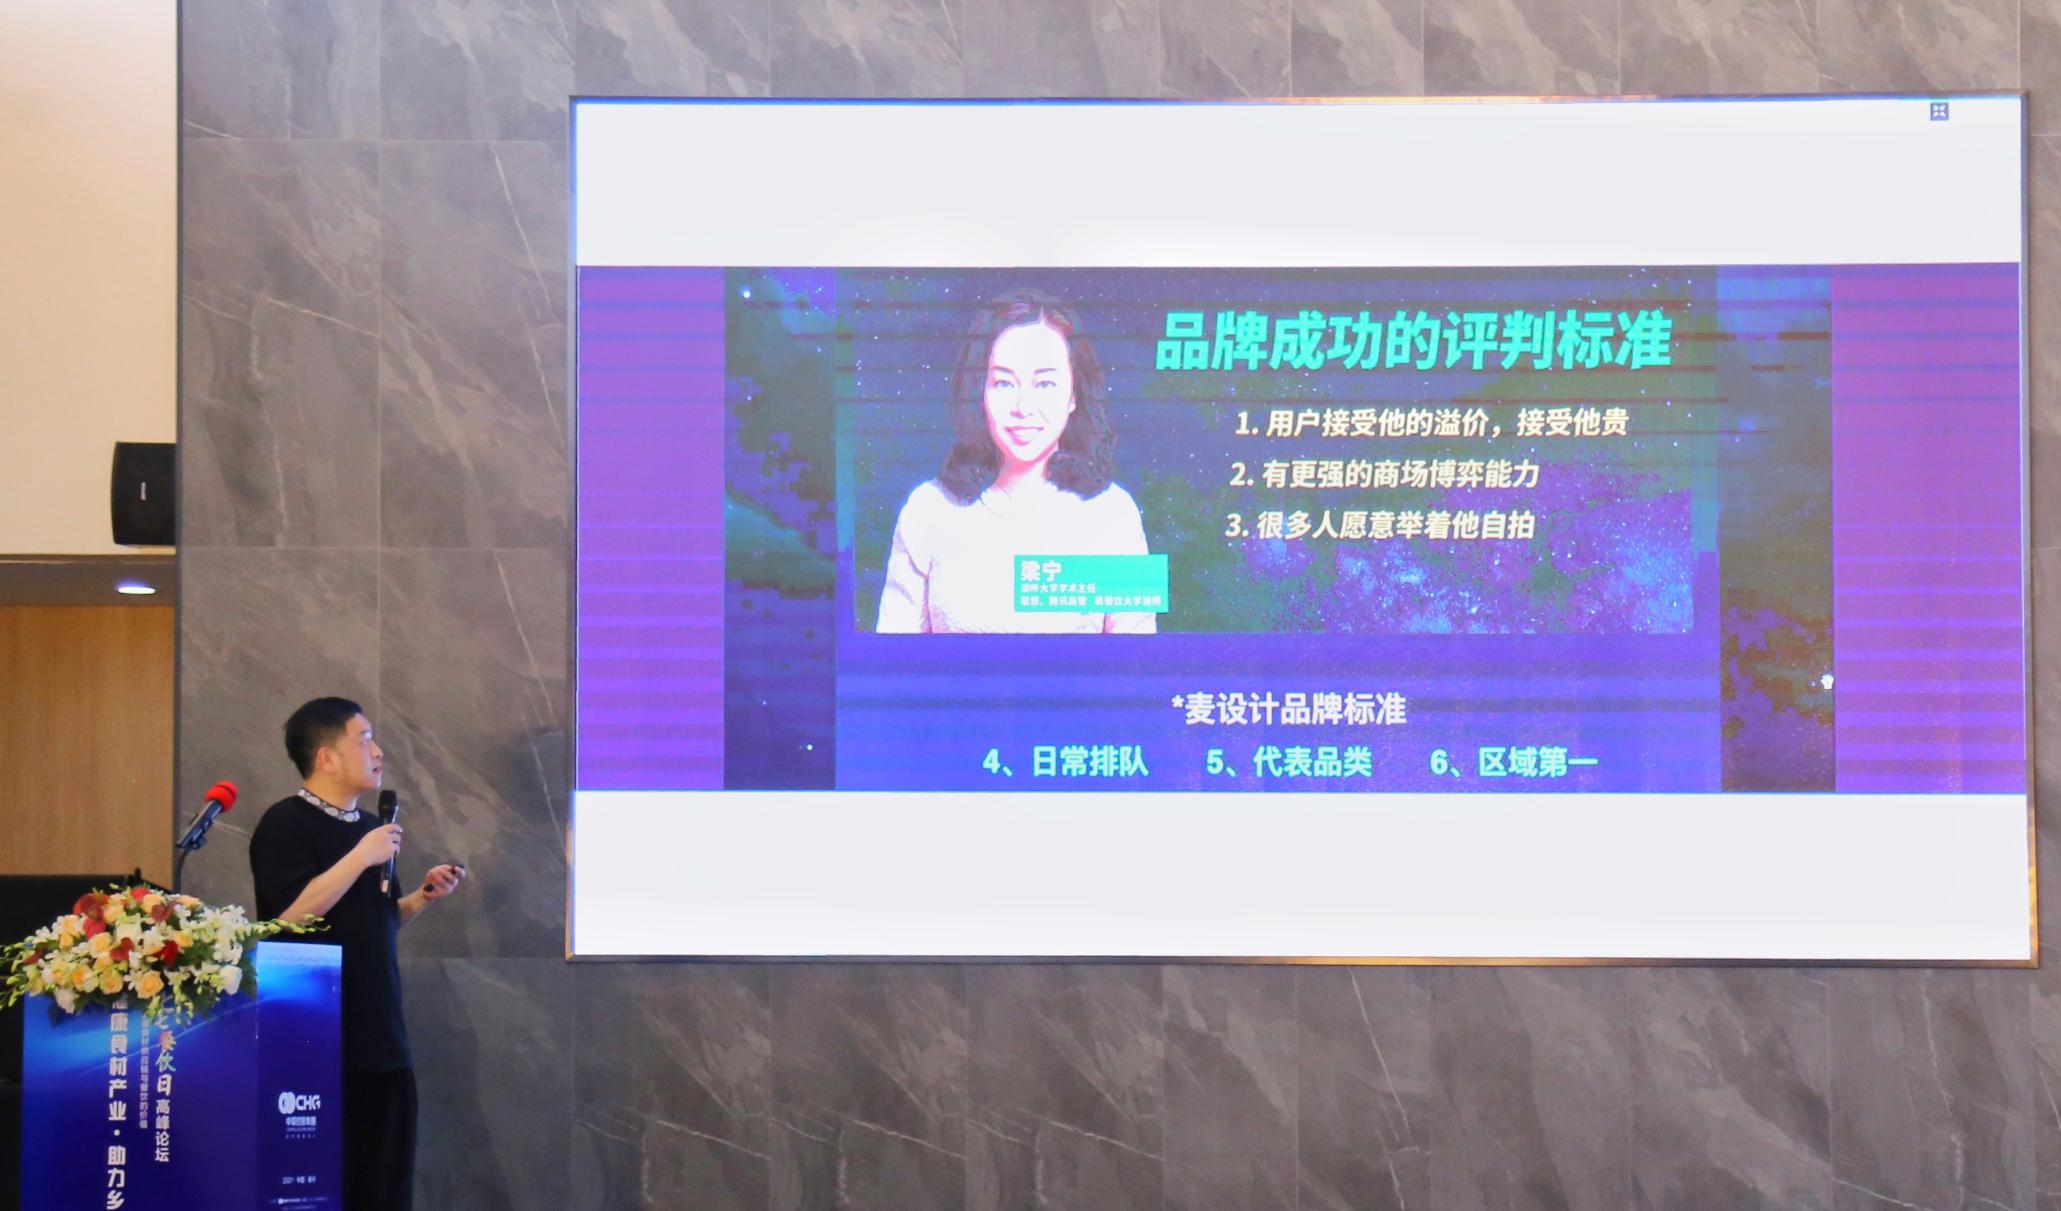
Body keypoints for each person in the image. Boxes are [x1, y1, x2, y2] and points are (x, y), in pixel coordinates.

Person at [248, 697, 467, 1211]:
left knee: (385, 1187)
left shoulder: (371, 829)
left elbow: (375, 922)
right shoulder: (285, 823)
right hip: (316, 1040)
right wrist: (360, 856)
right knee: (326, 1189)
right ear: (326, 758)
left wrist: (422, 897)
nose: (378, 751)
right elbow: (286, 921)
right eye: (364, 739)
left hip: (382, 1035)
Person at [877, 287, 1155, 634]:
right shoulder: (928, 509)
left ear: (1074, 395)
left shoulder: (1114, 514)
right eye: (1004, 384)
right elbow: (890, 655)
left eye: (1045, 384)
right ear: (979, 391)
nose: (1023, 407)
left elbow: (1139, 658)